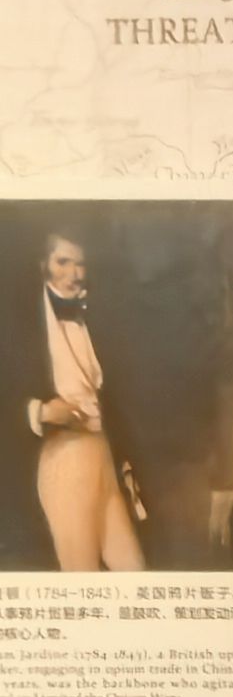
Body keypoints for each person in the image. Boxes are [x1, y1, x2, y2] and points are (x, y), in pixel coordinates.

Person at [2, 231, 149, 572]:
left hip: (104, 456)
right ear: (44, 265)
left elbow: (114, 399)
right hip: (62, 458)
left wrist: (124, 462)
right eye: (63, 262)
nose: (74, 273)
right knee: (81, 572)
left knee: (133, 570)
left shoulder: (96, 319)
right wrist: (41, 411)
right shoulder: (21, 326)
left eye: (80, 264)